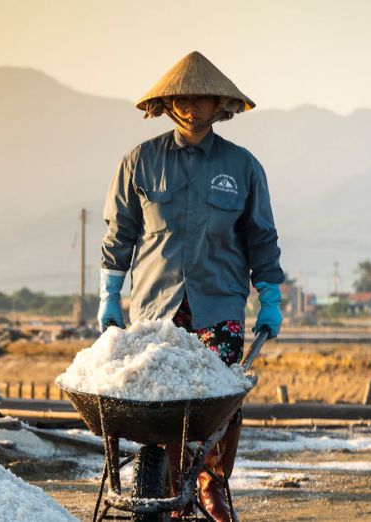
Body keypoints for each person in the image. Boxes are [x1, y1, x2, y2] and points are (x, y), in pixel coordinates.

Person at [98, 51, 284, 521]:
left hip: (218, 304)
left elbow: (261, 238)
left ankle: (211, 482)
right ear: (169, 103)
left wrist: (270, 297)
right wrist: (109, 295)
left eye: (202, 99)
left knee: (217, 402)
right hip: (154, 310)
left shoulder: (242, 167)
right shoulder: (139, 161)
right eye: (183, 98)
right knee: (159, 404)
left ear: (219, 104)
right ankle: (165, 483)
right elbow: (119, 234)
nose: (191, 107)